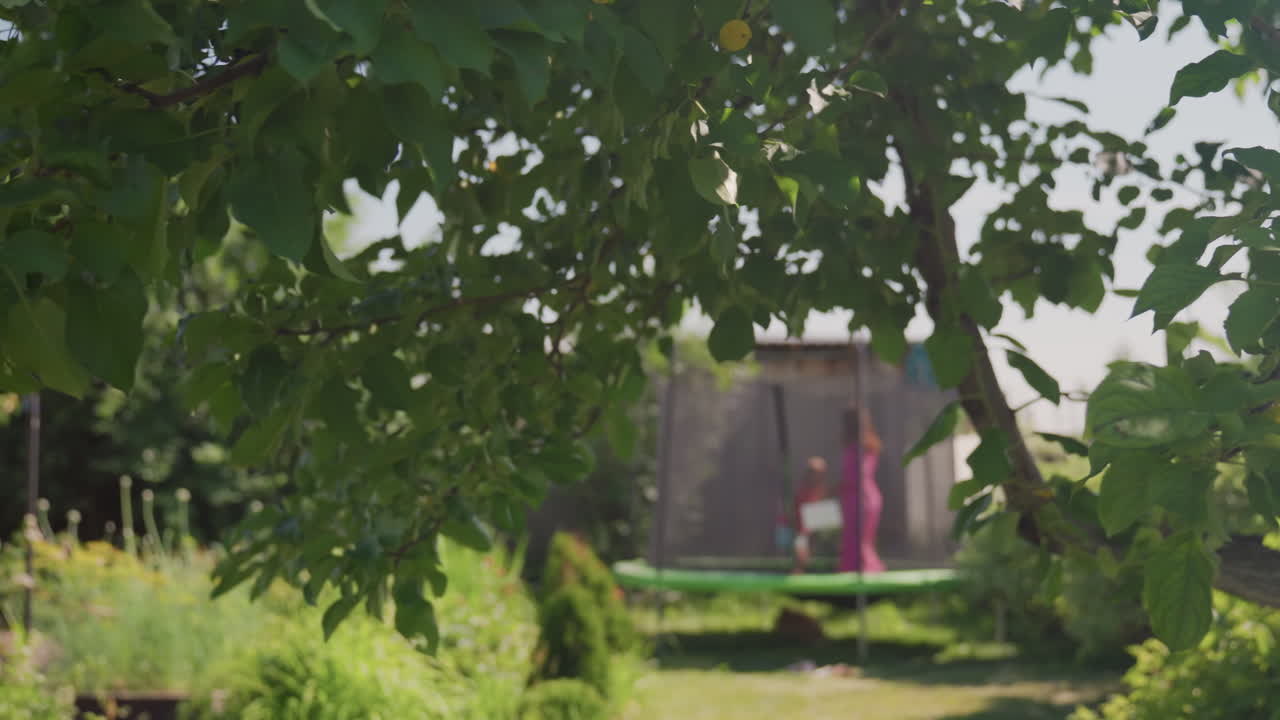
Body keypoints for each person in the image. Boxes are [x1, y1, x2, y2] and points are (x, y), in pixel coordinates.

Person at [839, 406, 885, 573]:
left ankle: (863, 571)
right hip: (859, 497)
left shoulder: (862, 446)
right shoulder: (861, 444)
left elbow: (859, 473)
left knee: (859, 540)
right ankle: (855, 569)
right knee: (857, 540)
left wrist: (843, 485)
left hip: (862, 499)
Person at [790, 457, 828, 573]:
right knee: (800, 546)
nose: (816, 475)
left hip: (813, 531)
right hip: (798, 530)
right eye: (813, 472)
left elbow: (820, 516)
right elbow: (800, 521)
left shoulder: (821, 490)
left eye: (820, 473)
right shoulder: (803, 492)